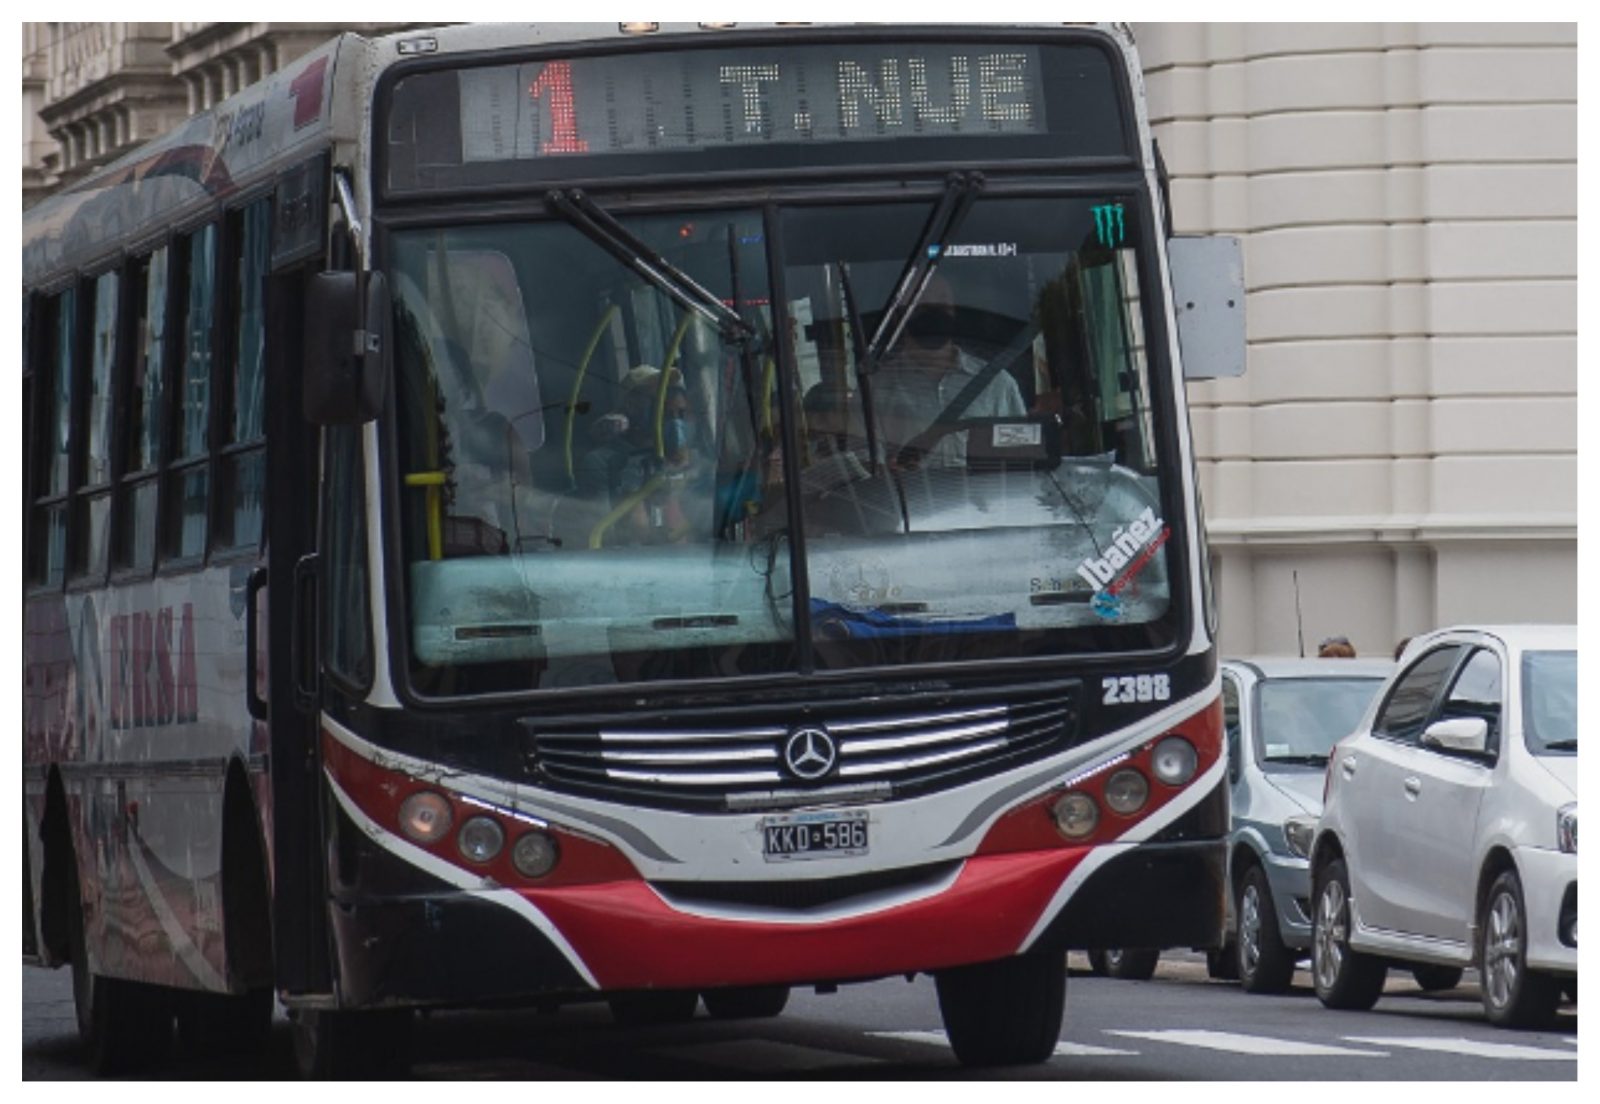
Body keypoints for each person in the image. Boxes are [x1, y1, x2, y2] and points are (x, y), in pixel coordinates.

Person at [874, 273, 1026, 467]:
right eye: (921, 306)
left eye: (943, 305)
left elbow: (1021, 456)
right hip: (910, 488)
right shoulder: (875, 388)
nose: (934, 314)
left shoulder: (996, 383)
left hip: (982, 488)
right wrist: (888, 471)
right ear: (898, 317)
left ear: (954, 312)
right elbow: (864, 465)